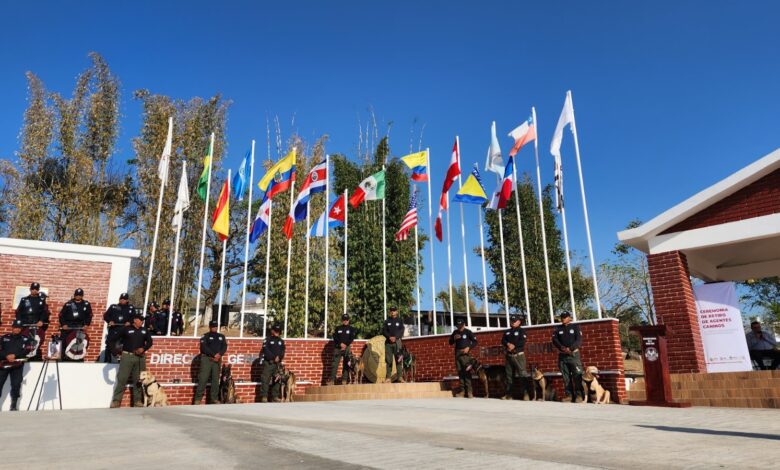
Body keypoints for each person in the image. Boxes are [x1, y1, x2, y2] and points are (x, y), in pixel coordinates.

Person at [110, 313, 153, 408]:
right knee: (122, 379)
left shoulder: (144, 330)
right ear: (135, 320)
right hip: (127, 356)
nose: (142, 322)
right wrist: (115, 352)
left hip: (140, 358)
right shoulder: (126, 329)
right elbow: (112, 339)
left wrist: (144, 348)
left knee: (138, 379)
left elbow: (150, 342)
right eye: (140, 320)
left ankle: (137, 401)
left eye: (142, 320)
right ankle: (116, 401)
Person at [0, 320, 33, 411]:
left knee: (16, 385)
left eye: (19, 328)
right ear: (12, 327)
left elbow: (27, 350)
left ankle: (13, 405)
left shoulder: (25, 339)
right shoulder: (4, 338)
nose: (17, 329)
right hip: (4, 365)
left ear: (21, 329)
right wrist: (6, 356)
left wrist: (15, 355)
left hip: (17, 366)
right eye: (15, 327)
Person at [552, 311, 584, 403]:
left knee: (577, 375)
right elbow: (554, 340)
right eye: (562, 317)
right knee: (566, 377)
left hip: (573, 355)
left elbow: (578, 340)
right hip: (563, 356)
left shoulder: (575, 327)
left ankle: (579, 396)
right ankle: (569, 396)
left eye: (565, 317)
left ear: (569, 318)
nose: (563, 319)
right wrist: (562, 348)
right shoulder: (558, 328)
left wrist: (571, 348)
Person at [194, 320, 228, 404]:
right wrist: (214, 355)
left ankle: (214, 398)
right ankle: (197, 399)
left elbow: (224, 346)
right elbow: (204, 348)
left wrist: (219, 354)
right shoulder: (205, 336)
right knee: (203, 378)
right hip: (207, 359)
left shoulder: (221, 336)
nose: (214, 328)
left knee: (215, 379)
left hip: (217, 360)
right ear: (209, 327)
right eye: (213, 326)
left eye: (216, 326)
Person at [15, 282, 50, 359]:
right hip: (25, 325)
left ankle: (34, 356)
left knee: (36, 341)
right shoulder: (24, 299)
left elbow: (44, 312)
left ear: (38, 290)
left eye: (36, 289)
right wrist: (19, 322)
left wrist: (41, 320)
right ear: (30, 289)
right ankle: (22, 355)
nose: (34, 290)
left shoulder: (41, 300)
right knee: (24, 341)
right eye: (33, 289)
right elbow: (18, 311)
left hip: (36, 325)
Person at [58, 288, 93, 362]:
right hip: (68, 326)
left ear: (82, 296)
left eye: (80, 295)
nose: (78, 296)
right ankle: (64, 358)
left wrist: (87, 324)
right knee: (64, 342)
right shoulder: (68, 304)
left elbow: (89, 315)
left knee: (81, 343)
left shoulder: (86, 304)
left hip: (80, 327)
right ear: (74, 295)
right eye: (76, 295)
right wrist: (63, 324)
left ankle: (79, 358)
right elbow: (61, 315)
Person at [501, 314, 528, 400]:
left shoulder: (521, 331)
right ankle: (509, 395)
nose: (512, 322)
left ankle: (525, 394)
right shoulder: (507, 331)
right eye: (511, 321)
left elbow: (522, 341)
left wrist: (514, 346)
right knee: (509, 376)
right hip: (509, 356)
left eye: (514, 321)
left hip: (518, 356)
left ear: (519, 322)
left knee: (522, 375)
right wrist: (508, 344)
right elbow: (503, 340)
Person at [449, 318, 478, 398]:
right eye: (458, 325)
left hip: (465, 354)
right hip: (457, 353)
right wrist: (453, 338)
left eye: (461, 325)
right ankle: (462, 391)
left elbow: (475, 342)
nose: (459, 327)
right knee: (460, 372)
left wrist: (469, 347)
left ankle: (469, 392)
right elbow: (450, 342)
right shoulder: (455, 332)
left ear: (464, 324)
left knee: (467, 372)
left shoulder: (468, 332)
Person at [103, 293, 135, 363]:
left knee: (124, 345)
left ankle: (122, 362)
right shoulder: (113, 307)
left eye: (124, 299)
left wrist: (130, 322)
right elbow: (105, 316)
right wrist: (110, 321)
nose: (122, 300)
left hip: (125, 329)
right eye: (121, 299)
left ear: (127, 300)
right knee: (109, 344)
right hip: (114, 329)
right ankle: (107, 361)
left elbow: (134, 317)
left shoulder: (131, 308)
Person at [260, 324, 286, 403]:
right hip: (269, 363)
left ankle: (275, 396)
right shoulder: (267, 339)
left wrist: (279, 358)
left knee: (277, 379)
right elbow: (265, 350)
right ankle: (264, 396)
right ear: (272, 331)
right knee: (265, 379)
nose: (277, 332)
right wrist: (273, 357)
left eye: (278, 331)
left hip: (277, 364)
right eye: (275, 331)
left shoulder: (281, 341)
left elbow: (283, 351)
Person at [328, 314, 357, 385]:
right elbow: (335, 337)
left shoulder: (351, 329)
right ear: (342, 320)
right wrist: (340, 344)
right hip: (338, 348)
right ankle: (332, 380)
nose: (345, 321)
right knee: (335, 364)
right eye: (344, 320)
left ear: (348, 320)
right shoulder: (338, 328)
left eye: (346, 320)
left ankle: (344, 380)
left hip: (347, 348)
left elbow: (351, 338)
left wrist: (345, 344)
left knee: (346, 363)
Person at [383, 306, 406, 383]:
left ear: (397, 312)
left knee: (399, 359)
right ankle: (388, 378)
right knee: (388, 360)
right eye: (391, 310)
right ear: (390, 312)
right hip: (388, 343)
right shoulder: (387, 321)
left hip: (397, 343)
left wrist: (395, 337)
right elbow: (384, 331)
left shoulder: (400, 321)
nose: (393, 312)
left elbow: (401, 330)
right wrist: (389, 337)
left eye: (394, 310)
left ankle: (400, 377)